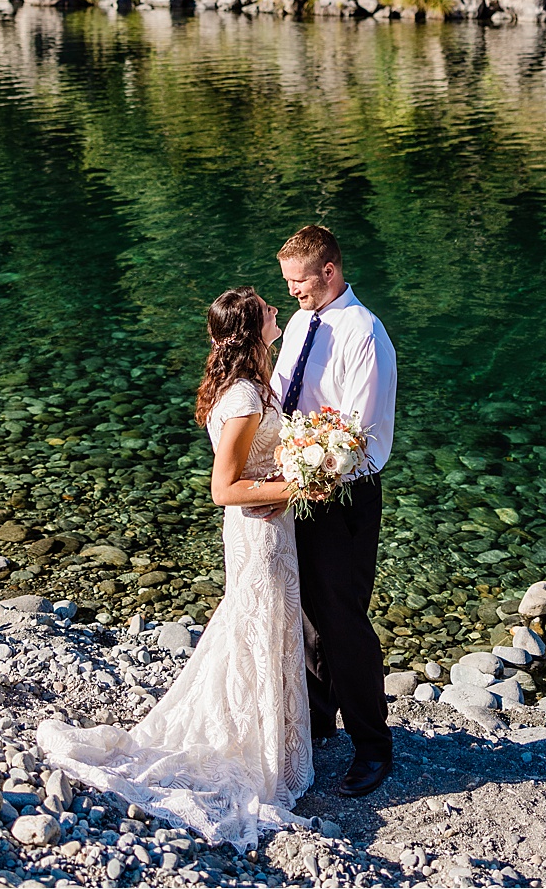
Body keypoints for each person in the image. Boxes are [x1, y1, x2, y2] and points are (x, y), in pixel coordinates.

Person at [38, 287, 314, 847]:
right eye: (267, 308)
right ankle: (253, 751)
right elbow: (223, 487)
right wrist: (303, 484)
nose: (276, 311)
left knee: (260, 633)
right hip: (259, 535)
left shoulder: (250, 387)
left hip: (270, 528)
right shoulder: (241, 397)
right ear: (250, 327)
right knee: (256, 631)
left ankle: (274, 741)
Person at [272, 221, 399, 796]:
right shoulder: (300, 323)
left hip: (346, 491)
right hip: (296, 484)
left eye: (301, 281)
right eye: (288, 282)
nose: (293, 292)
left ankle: (373, 747)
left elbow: (358, 429)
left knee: (344, 619)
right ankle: (320, 720)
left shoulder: (363, 332)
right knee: (306, 611)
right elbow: (281, 397)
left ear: (330, 271)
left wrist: (319, 470)